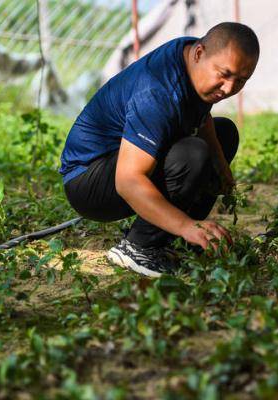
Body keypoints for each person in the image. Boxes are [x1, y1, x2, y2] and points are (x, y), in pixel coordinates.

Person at [59, 22, 259, 277]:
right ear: (199, 53)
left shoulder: (193, 56)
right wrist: (186, 224)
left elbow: (201, 116)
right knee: (193, 154)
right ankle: (139, 246)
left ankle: (179, 243)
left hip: (119, 162)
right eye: (224, 74)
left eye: (241, 80)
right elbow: (128, 181)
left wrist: (222, 169)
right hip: (87, 180)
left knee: (224, 134)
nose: (229, 88)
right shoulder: (157, 92)